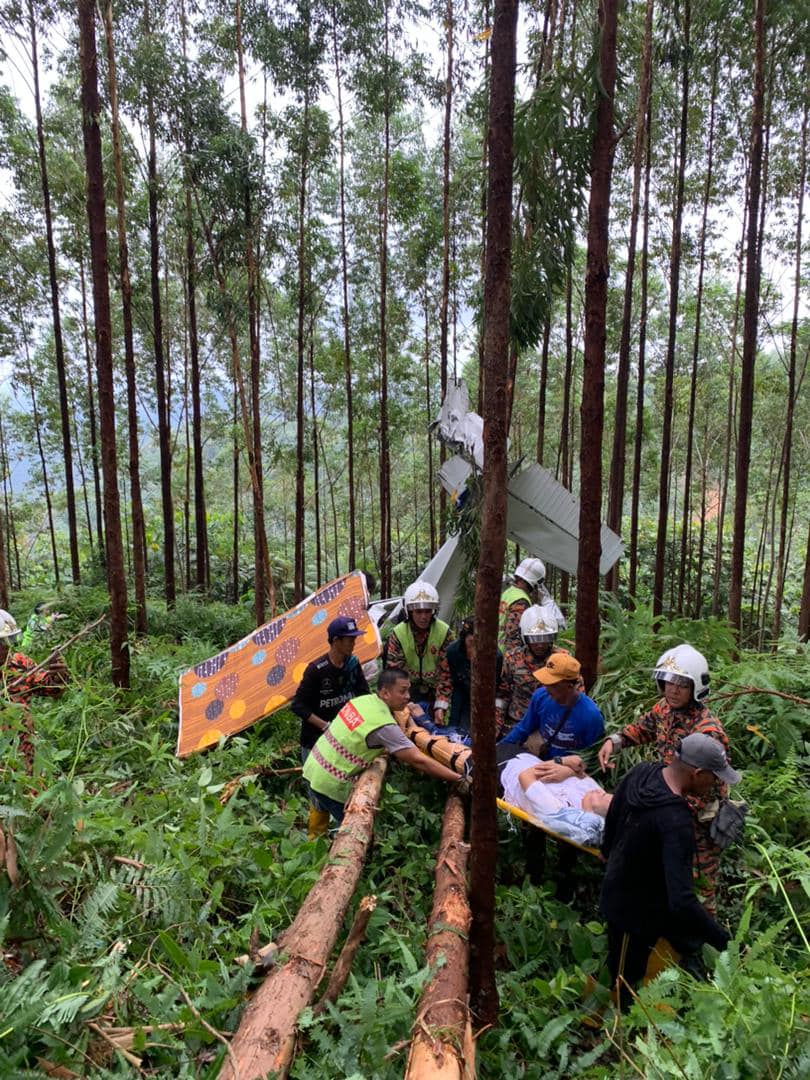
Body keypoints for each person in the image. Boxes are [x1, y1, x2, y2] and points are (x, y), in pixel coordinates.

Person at [600, 733, 738, 1008]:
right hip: (632, 916)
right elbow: (682, 900)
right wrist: (723, 939)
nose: (716, 783)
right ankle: (620, 1030)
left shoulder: (641, 773)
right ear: (698, 774)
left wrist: (613, 858)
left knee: (632, 962)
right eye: (714, 777)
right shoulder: (676, 821)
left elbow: (612, 822)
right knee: (626, 976)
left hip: (619, 889)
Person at [597, 643, 731, 913]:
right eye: (668, 681)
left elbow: (710, 787)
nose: (673, 689)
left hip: (697, 820)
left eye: (681, 683)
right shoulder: (665, 711)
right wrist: (615, 741)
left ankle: (701, 945)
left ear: (695, 687)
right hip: (669, 808)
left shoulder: (707, 733)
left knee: (699, 888)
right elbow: (641, 729)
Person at [302, 667, 468, 831]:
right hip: (330, 783)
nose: (408, 697)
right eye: (402, 691)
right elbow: (418, 760)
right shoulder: (383, 725)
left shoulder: (363, 701)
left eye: (408, 691)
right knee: (351, 832)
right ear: (385, 693)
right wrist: (458, 778)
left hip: (313, 767)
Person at [291, 615, 371, 838]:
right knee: (317, 792)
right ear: (336, 641)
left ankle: (340, 837)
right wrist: (325, 726)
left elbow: (364, 696)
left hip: (343, 742)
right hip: (314, 741)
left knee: (341, 788)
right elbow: (298, 705)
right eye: (349, 639)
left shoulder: (353, 666)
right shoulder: (316, 670)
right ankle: (315, 840)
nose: (354, 643)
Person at [499, 653, 605, 764]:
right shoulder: (541, 696)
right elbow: (523, 728)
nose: (546, 686)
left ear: (569, 686)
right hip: (541, 756)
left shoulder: (591, 716)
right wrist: (501, 748)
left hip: (567, 768)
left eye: (552, 684)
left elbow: (592, 755)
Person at [0, 609, 68, 773]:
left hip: (23, 751)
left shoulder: (19, 663)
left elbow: (51, 689)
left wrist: (58, 677)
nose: (4, 649)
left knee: (29, 793)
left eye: (7, 642)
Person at [382, 580, 452, 717]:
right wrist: (405, 702)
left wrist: (441, 705)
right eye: (418, 612)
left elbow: (446, 674)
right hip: (407, 688)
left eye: (427, 611)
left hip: (435, 690)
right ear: (409, 611)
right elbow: (395, 673)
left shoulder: (444, 632)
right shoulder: (399, 633)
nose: (424, 617)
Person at [500, 602, 571, 731]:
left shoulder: (563, 659)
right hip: (517, 722)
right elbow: (502, 693)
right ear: (525, 638)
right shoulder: (512, 659)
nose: (540, 645)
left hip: (552, 724)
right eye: (534, 639)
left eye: (546, 638)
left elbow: (576, 693)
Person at [433, 618, 507, 735]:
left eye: (480, 643)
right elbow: (445, 680)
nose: (475, 648)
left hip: (486, 699)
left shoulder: (495, 657)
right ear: (464, 639)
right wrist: (440, 707)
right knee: (454, 731)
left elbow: (500, 692)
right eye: (472, 642)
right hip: (460, 692)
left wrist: (496, 721)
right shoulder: (452, 652)